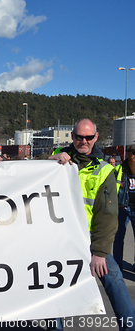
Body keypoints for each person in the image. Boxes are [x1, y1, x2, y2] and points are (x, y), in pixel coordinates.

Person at [49, 118, 135, 330]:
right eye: (79, 137)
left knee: (114, 278)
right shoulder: (57, 156)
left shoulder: (104, 170)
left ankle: (129, 326)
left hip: (87, 237)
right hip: (58, 236)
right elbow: (31, 168)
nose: (84, 141)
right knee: (51, 284)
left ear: (96, 137)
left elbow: (107, 215)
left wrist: (99, 252)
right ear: (72, 136)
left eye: (89, 137)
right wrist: (51, 157)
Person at [114, 145, 135, 271]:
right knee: (119, 238)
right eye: (133, 154)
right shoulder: (120, 170)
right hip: (123, 208)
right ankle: (117, 264)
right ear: (127, 155)